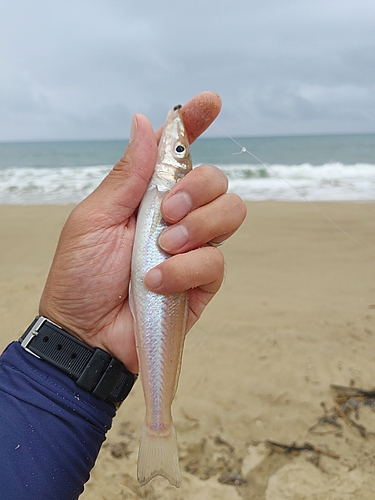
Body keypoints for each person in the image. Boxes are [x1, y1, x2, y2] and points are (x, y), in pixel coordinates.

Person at [0, 91, 246, 499]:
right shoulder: (154, 187)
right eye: (177, 147)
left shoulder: (170, 188)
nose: (173, 150)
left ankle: (159, 423)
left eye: (179, 149)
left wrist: (71, 348)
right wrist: (76, 336)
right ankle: (158, 424)